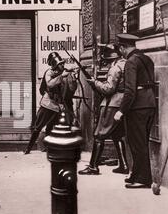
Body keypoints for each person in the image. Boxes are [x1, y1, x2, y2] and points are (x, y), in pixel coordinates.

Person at [114, 33, 156, 189]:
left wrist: (121, 111)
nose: (121, 52)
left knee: (137, 143)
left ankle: (143, 179)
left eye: (120, 49)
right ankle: (136, 175)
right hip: (150, 104)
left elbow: (130, 91)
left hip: (137, 107)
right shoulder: (147, 59)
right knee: (141, 141)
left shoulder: (130, 62)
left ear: (124, 47)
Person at [79, 45, 129, 175]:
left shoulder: (115, 67)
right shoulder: (125, 64)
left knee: (99, 135)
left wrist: (95, 83)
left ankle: (93, 167)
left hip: (111, 104)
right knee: (117, 135)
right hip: (122, 103)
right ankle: (123, 165)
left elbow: (109, 89)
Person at [24, 52, 77, 154]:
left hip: (58, 105)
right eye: (60, 64)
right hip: (48, 104)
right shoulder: (50, 72)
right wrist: (62, 76)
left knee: (53, 126)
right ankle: (28, 148)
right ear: (55, 65)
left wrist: (73, 77)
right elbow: (50, 84)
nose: (63, 65)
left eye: (62, 63)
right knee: (38, 127)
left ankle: (49, 148)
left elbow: (71, 89)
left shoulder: (64, 74)